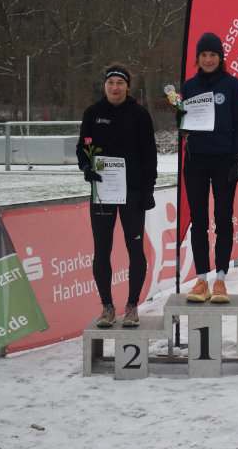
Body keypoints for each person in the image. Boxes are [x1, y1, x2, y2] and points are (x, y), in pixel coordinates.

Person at [77, 64, 157, 329]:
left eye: (120, 83)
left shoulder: (140, 114)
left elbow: (149, 155)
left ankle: (132, 305)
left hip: (133, 193)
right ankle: (107, 307)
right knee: (102, 250)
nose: (115, 87)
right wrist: (86, 167)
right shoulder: (93, 113)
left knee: (135, 249)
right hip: (103, 192)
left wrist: (148, 190)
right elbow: (82, 148)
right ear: (104, 85)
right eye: (110, 82)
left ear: (127, 87)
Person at [180, 32, 238, 303]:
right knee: (198, 221)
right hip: (195, 159)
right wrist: (179, 117)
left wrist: (236, 157)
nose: (208, 59)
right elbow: (184, 125)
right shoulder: (188, 86)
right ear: (198, 58)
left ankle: (220, 279)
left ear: (221, 58)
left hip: (223, 160)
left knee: (223, 219)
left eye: (213, 55)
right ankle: (201, 280)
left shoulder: (231, 84)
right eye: (204, 55)